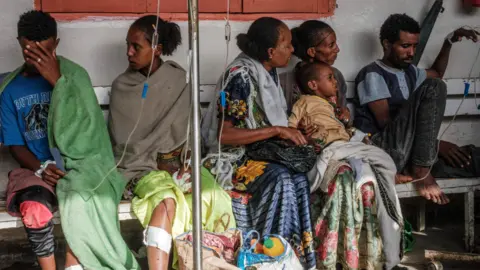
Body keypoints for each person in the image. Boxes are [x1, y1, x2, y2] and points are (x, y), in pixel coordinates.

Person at [0, 10, 139, 270]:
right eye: (31, 51)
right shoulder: (11, 88)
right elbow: (15, 143)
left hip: (80, 164)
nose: (39, 59)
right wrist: (41, 168)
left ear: (57, 44)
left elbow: (89, 131)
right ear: (20, 44)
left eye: (47, 50)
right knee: (34, 206)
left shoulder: (74, 76)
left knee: (80, 198)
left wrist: (57, 82)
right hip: (35, 167)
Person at [108, 15, 235, 270]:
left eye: (136, 46)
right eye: (127, 45)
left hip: (181, 166)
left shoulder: (178, 79)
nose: (129, 52)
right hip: (139, 168)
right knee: (167, 200)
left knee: (215, 195)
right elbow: (123, 144)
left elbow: (189, 131)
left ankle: (214, 264)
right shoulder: (122, 86)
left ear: (158, 48)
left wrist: (185, 163)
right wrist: (161, 164)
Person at [202, 17, 316, 269]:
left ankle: (292, 258)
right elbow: (225, 135)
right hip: (234, 159)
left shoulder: (268, 71)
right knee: (281, 179)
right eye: (286, 45)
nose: (292, 50)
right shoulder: (240, 77)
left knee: (298, 177)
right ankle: (266, 257)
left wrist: (292, 131)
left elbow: (259, 120)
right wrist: (277, 130)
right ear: (270, 51)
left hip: (260, 154)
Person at [285, 20, 391, 270]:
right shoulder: (286, 81)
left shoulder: (337, 78)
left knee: (368, 180)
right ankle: (328, 253)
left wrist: (345, 118)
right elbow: (286, 125)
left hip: (341, 144)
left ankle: (363, 253)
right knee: (343, 179)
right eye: (331, 45)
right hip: (310, 149)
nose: (338, 50)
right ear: (312, 52)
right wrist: (300, 132)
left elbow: (339, 118)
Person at [353, 13, 479, 205]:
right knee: (435, 86)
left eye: (414, 46)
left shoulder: (410, 71)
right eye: (405, 46)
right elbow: (387, 124)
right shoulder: (372, 74)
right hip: (385, 148)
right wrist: (436, 145)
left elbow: (436, 73)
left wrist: (448, 42)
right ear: (387, 44)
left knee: (472, 158)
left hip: (413, 151)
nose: (411, 53)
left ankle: (422, 165)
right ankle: (421, 170)